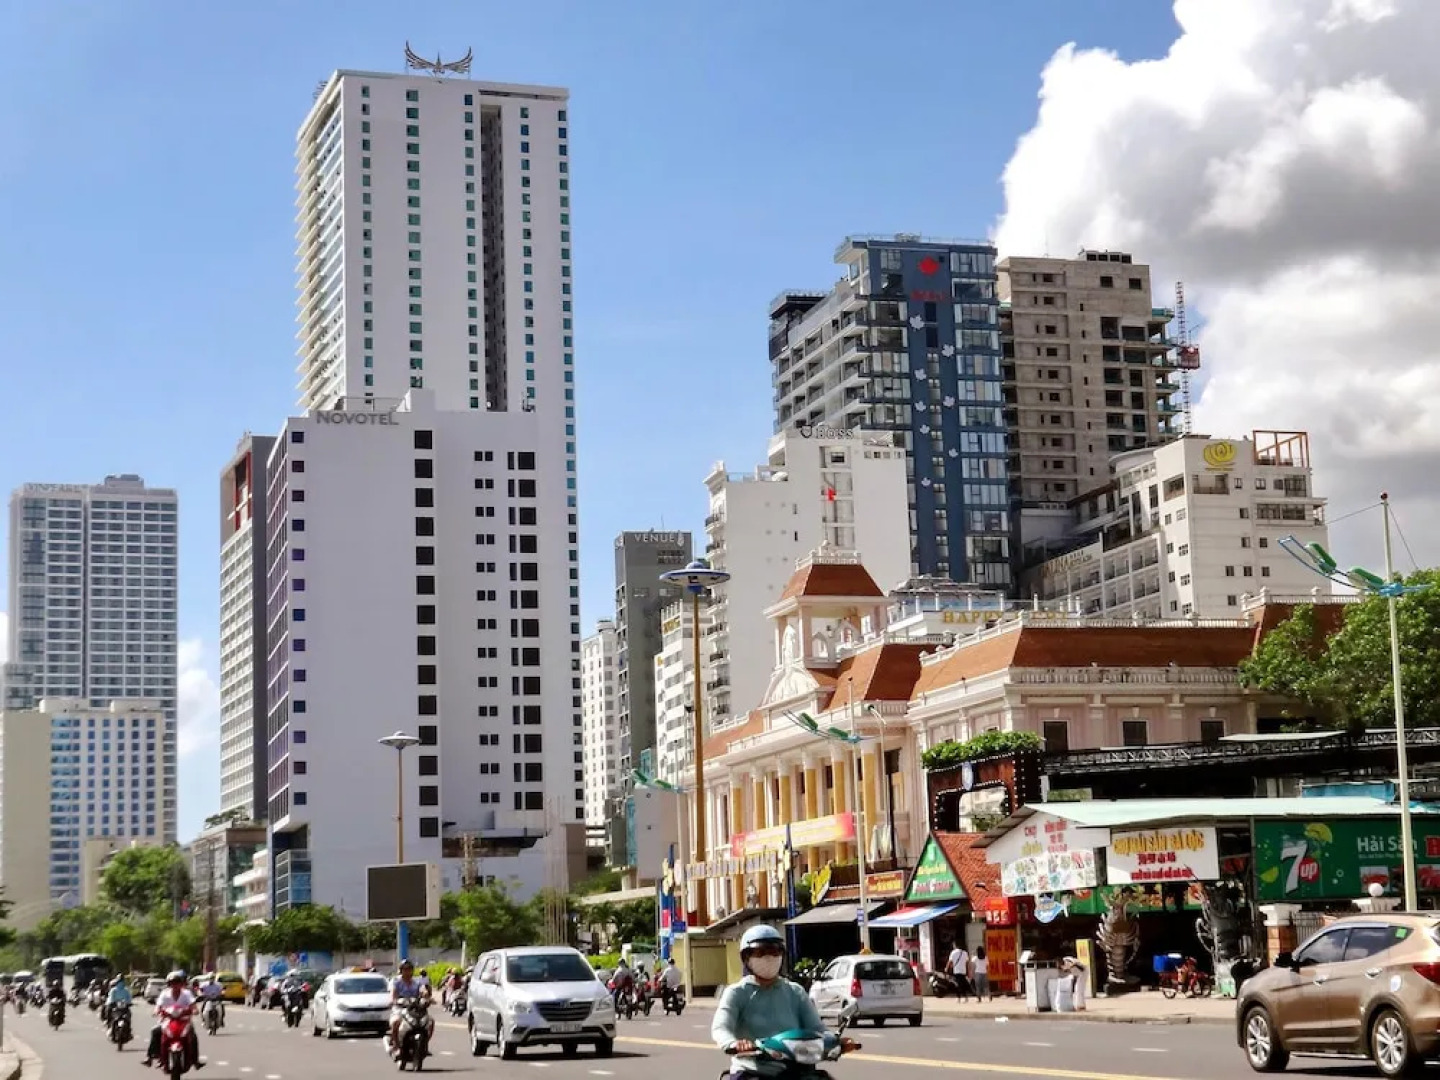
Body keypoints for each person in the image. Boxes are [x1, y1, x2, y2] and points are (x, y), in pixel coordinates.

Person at [712, 924, 856, 1078]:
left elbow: (817, 1028)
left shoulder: (795, 991)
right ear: (746, 958)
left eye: (774, 952)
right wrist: (734, 1044)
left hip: (798, 1070)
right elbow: (720, 1028)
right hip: (752, 1071)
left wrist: (834, 1041)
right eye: (761, 952)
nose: (769, 958)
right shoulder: (736, 993)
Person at [145, 970, 204, 1070]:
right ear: (169, 984)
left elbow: (193, 1006)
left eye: (177, 982)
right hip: (167, 1020)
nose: (175, 985)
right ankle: (150, 1057)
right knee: (155, 1031)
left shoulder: (187, 993)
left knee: (193, 1037)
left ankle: (195, 1060)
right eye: (172, 983)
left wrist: (194, 1010)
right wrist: (156, 1011)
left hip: (184, 1021)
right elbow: (158, 1006)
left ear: (181, 984)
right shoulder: (164, 994)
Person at [387, 959, 434, 1053]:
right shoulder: (396, 981)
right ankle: (396, 1045)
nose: (407, 972)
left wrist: (426, 995)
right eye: (405, 969)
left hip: (415, 1008)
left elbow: (422, 990)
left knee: (430, 1022)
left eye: (409, 969)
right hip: (400, 1007)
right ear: (401, 970)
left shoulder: (417, 982)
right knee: (396, 1022)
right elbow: (393, 993)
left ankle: (424, 1045)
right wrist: (393, 1000)